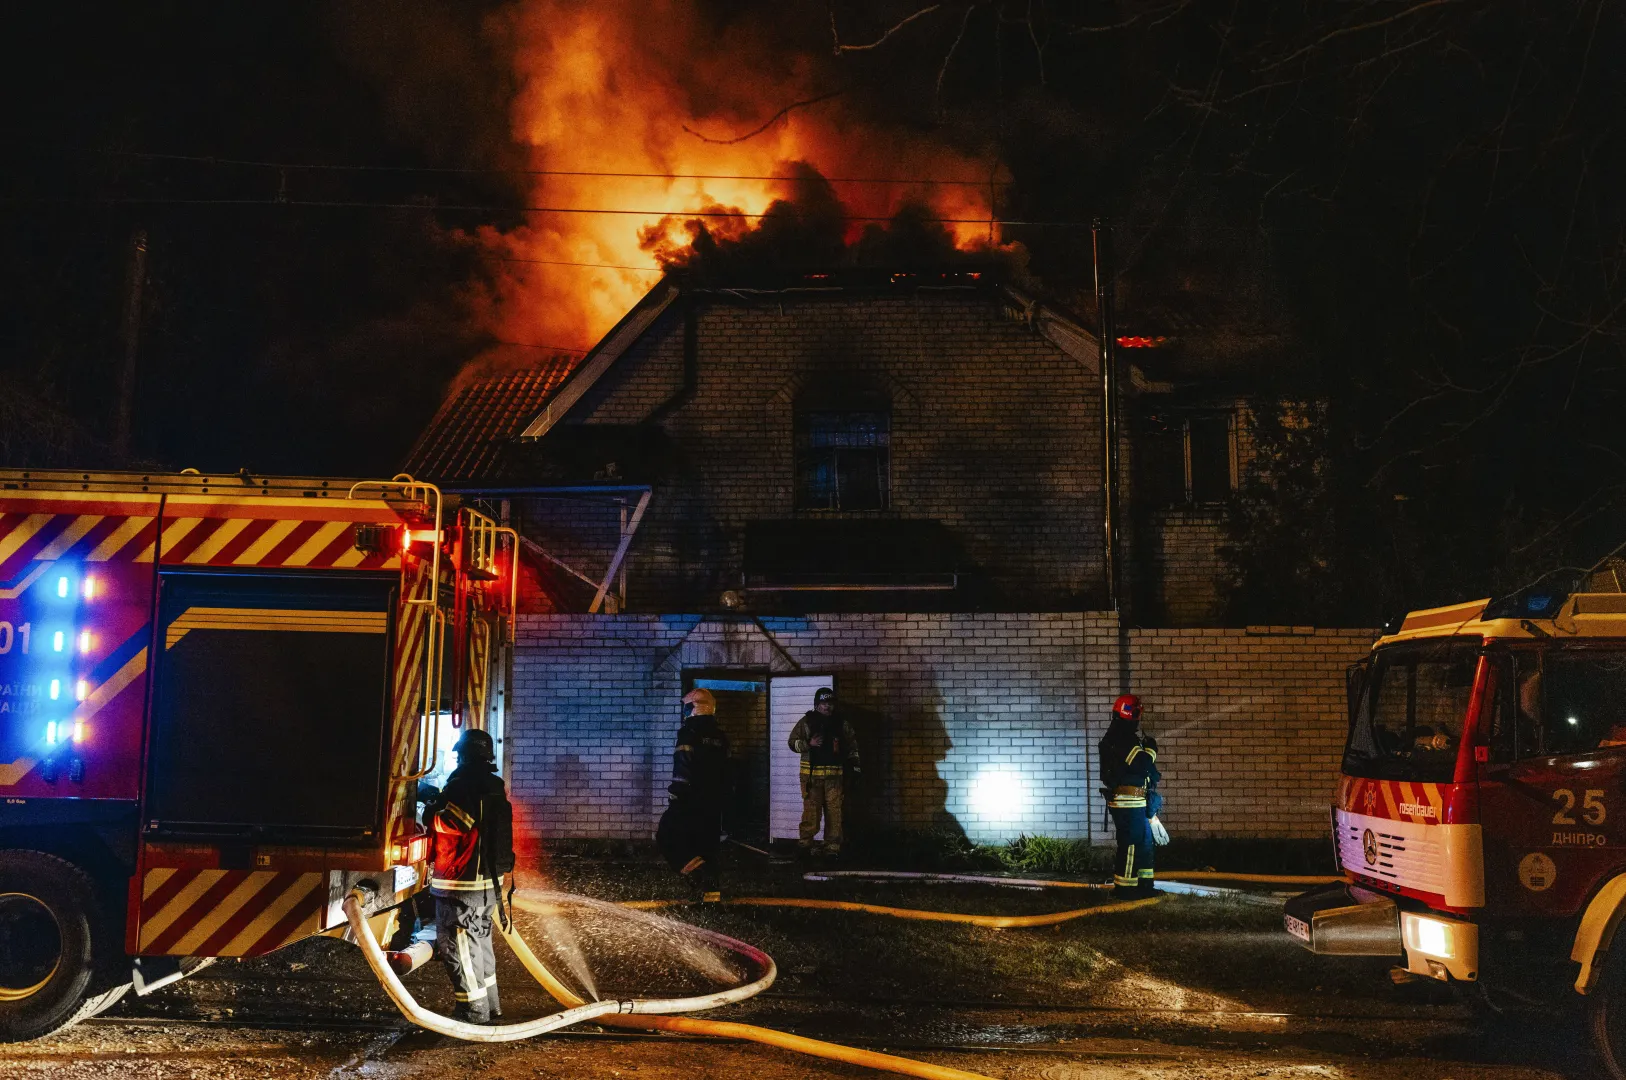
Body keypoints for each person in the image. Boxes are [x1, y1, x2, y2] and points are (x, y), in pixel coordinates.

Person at [425, 728, 514, 1025]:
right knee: (479, 943)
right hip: (488, 884)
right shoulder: (492, 784)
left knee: (459, 947)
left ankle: (473, 1012)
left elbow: (455, 822)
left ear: (463, 755)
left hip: (462, 884)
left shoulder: (462, 784)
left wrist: (430, 809)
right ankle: (490, 1006)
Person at [656, 688, 730, 899]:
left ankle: (698, 874)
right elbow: (726, 770)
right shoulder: (720, 736)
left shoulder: (689, 733)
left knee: (667, 835)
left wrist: (677, 793)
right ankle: (711, 893)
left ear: (692, 708)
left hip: (689, 798)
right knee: (706, 843)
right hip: (714, 801)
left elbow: (683, 765)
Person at [1099, 694, 1165, 897]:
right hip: (1126, 801)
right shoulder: (1121, 738)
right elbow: (1142, 763)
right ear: (1132, 714)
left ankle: (1145, 886)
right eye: (1137, 714)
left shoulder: (1124, 737)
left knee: (1144, 843)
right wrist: (1151, 750)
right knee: (1131, 843)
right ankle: (1125, 890)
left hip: (1136, 800)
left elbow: (1145, 771)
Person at [788, 686, 861, 858]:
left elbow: (852, 746)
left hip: (834, 778)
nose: (827, 706)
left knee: (834, 812)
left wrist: (856, 767)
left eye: (830, 703)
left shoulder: (842, 724)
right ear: (817, 705)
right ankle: (806, 844)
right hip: (812, 778)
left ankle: (832, 847)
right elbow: (792, 743)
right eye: (823, 703)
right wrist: (808, 744)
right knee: (811, 812)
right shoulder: (806, 722)